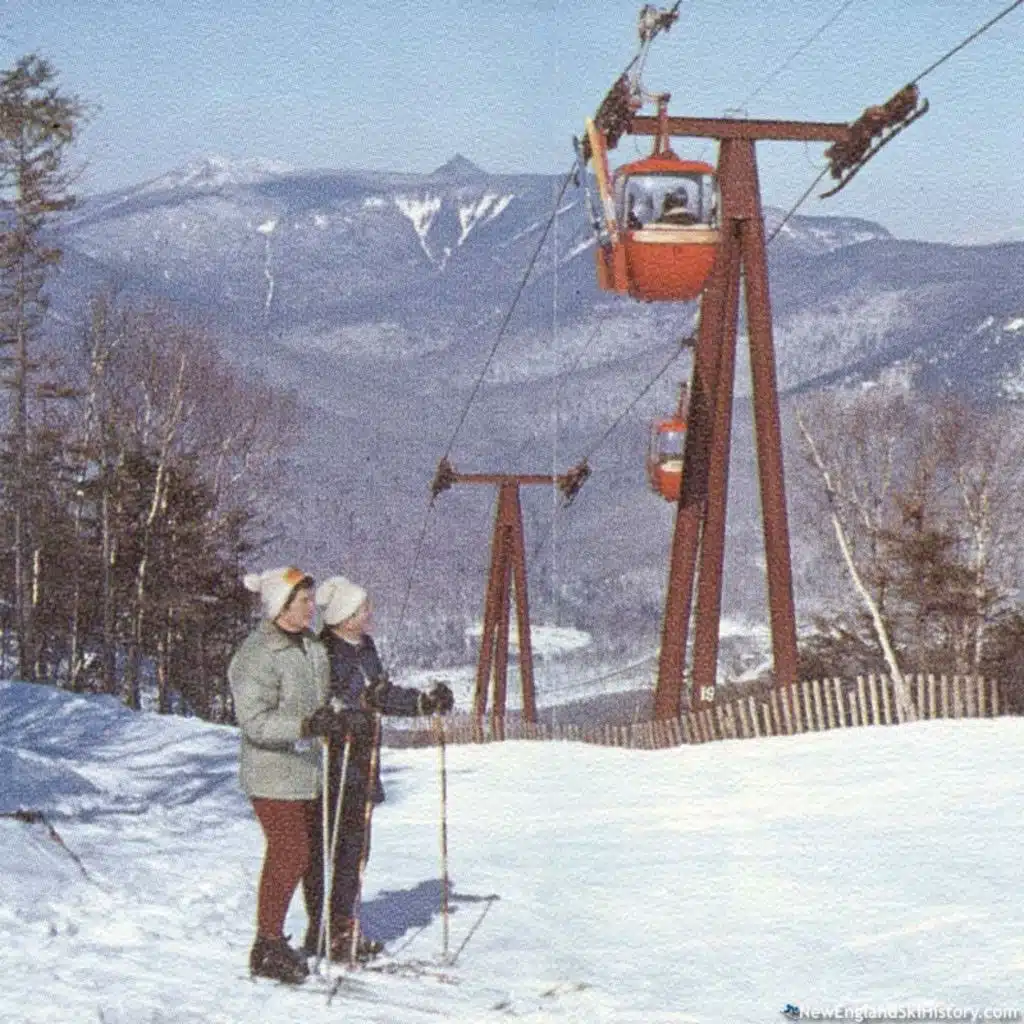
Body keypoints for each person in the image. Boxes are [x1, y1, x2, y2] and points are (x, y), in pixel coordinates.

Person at [303, 575, 455, 963]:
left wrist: (423, 702)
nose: (370, 613)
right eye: (362, 609)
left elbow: (379, 694)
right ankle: (322, 928)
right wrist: (346, 714)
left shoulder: (365, 647)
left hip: (363, 761)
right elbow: (322, 703)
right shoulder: (323, 652)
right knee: (328, 848)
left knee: (356, 850)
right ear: (344, 616)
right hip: (333, 762)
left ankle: (344, 924)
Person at [228, 566, 347, 985]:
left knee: (305, 854)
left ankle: (303, 933)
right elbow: (255, 722)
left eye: (311, 599)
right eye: (304, 601)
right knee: (290, 852)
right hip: (271, 774)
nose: (313, 607)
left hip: (306, 771)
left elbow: (322, 698)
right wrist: (306, 726)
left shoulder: (311, 646)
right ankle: (267, 943)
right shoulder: (256, 654)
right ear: (281, 605)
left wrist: (335, 717)